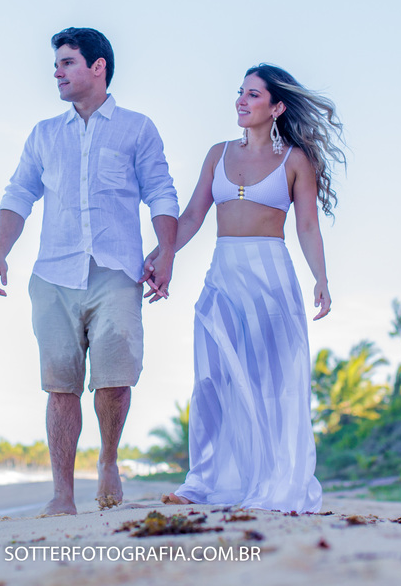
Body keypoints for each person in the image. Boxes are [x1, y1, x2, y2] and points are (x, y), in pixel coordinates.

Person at [0, 27, 179, 516]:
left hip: (116, 270)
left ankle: (109, 459)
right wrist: (0, 252)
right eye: (56, 64)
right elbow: (18, 193)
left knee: (114, 379)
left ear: (98, 67)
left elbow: (161, 192)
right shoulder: (44, 134)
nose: (57, 72)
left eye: (67, 62)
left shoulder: (137, 129)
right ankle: (62, 494)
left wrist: (167, 252)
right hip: (54, 274)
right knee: (60, 385)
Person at [151, 63, 345, 513]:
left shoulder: (295, 160)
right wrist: (163, 255)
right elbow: (192, 216)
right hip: (223, 273)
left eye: (253, 94)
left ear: (276, 107)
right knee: (211, 377)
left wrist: (321, 278)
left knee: (272, 382)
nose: (241, 100)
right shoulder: (217, 153)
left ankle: (273, 482)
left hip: (270, 279)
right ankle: (202, 482)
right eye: (241, 92)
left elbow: (308, 226)